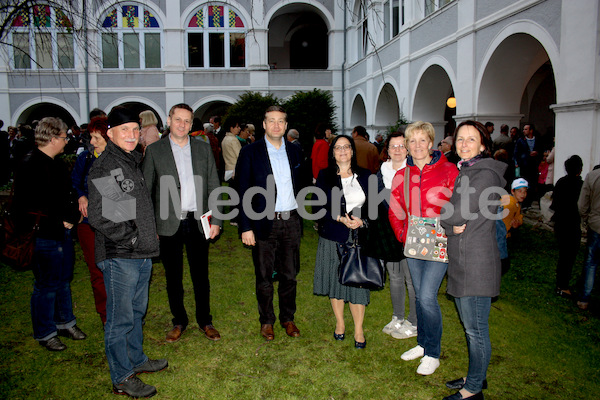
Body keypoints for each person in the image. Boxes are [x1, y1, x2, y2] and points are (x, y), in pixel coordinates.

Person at [88, 106, 166, 398]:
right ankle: (122, 376)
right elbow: (102, 216)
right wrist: (133, 240)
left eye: (135, 129)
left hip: (140, 252)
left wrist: (145, 236)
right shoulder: (107, 164)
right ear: (110, 134)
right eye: (125, 130)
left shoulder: (129, 160)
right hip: (121, 256)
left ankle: (136, 359)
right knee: (120, 318)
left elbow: (130, 209)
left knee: (136, 311)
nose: (132, 135)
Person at [142, 103, 223, 343]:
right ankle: (179, 321)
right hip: (167, 224)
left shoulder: (202, 149)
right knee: (173, 277)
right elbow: (146, 190)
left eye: (187, 121)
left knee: (201, 275)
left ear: (191, 124)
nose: (182, 125)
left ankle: (205, 321)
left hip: (198, 222)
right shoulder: (155, 150)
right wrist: (149, 227)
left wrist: (216, 219)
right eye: (178, 119)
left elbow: (214, 185)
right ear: (169, 120)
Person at [440, 120, 507, 400]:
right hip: (466, 258)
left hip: (476, 264)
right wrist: (450, 219)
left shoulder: (481, 175)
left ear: (482, 144)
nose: (464, 144)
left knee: (475, 329)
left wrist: (446, 219)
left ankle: (473, 389)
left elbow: (454, 215)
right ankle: (476, 375)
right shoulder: (469, 170)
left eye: (471, 139)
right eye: (460, 140)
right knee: (472, 329)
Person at [389, 121, 459, 376]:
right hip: (413, 242)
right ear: (407, 145)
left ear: (431, 143)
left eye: (422, 140)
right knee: (419, 295)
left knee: (428, 296)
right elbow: (395, 210)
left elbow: (459, 204)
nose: (417, 146)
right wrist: (402, 234)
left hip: (439, 241)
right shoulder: (402, 175)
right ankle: (422, 343)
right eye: (412, 141)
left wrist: (450, 229)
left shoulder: (449, 170)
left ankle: (433, 353)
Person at [12, 117, 86, 352]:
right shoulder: (30, 164)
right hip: (44, 235)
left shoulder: (54, 163)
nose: (66, 142)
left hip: (62, 232)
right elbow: (31, 205)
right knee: (46, 284)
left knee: (63, 280)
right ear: (53, 138)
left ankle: (65, 322)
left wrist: (72, 216)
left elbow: (65, 196)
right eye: (64, 137)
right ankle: (45, 332)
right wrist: (62, 219)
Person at [235, 105, 303, 341]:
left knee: (290, 275)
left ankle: (288, 318)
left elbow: (301, 186)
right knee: (264, 276)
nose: (276, 125)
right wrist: (245, 226)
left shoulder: (295, 152)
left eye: (281, 121)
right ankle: (266, 321)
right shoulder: (250, 152)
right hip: (264, 223)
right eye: (271, 121)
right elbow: (242, 190)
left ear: (286, 125)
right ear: (264, 124)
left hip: (291, 221)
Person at [313, 135, 372, 348]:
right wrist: (338, 217)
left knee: (357, 284)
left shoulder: (366, 176)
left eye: (346, 147)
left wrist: (362, 221)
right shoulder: (325, 175)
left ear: (353, 150)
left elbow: (376, 207)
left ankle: (358, 329)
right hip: (333, 236)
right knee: (335, 281)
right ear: (332, 152)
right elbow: (317, 207)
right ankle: (340, 324)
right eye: (338, 148)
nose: (343, 151)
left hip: (359, 238)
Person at [377, 132, 417, 340]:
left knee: (411, 278)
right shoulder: (381, 172)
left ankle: (414, 320)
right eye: (394, 146)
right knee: (394, 276)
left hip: (409, 231)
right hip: (388, 231)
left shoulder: (413, 172)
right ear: (388, 150)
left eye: (402, 146)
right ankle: (398, 317)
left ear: (408, 149)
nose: (398, 150)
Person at [71, 116, 109, 325]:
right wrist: (80, 195)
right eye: (91, 137)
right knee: (96, 270)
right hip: (88, 224)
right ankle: (105, 315)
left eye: (97, 137)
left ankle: (122, 313)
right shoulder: (84, 158)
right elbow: (74, 183)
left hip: (113, 223)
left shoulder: (119, 158)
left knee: (117, 270)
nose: (92, 142)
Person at [551, 155, 583, 298]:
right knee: (568, 256)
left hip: (560, 223)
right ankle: (563, 285)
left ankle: (561, 283)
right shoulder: (580, 185)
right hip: (572, 224)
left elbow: (555, 203)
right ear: (580, 170)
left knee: (564, 255)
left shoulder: (561, 182)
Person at [577, 166, 600, 311]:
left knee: (591, 262)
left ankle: (584, 298)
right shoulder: (593, 176)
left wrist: (586, 220)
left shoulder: (593, 176)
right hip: (596, 222)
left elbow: (582, 204)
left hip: (596, 224)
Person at [513, 123, 543, 208]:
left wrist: (537, 153)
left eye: (526, 129)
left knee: (533, 185)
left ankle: (529, 202)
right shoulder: (521, 140)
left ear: (531, 130)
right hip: (524, 166)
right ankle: (524, 203)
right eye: (524, 129)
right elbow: (516, 153)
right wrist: (518, 163)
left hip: (534, 166)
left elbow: (541, 150)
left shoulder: (537, 140)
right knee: (524, 184)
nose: (524, 131)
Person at [221, 117, 242, 182]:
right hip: (235, 171)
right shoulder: (233, 140)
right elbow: (240, 156)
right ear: (231, 128)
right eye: (237, 127)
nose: (239, 128)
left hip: (228, 170)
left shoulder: (225, 139)